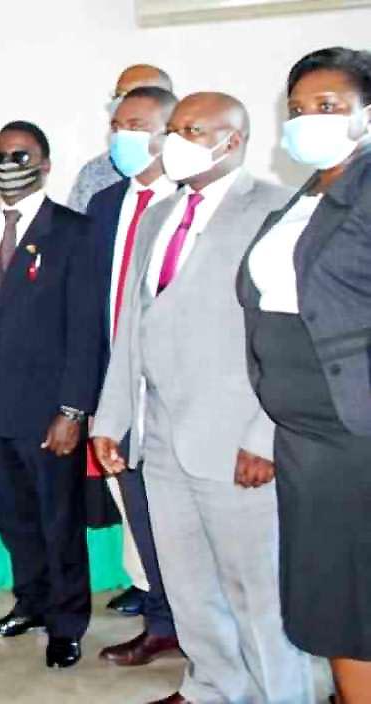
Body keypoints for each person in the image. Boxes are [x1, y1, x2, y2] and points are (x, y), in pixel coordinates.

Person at [93, 93, 313, 704]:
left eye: (191, 130)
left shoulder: (275, 211)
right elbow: (133, 326)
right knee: (190, 587)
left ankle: (280, 694)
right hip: (161, 436)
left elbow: (291, 338)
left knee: (256, 593)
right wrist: (113, 417)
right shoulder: (161, 215)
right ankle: (215, 687)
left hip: (237, 441)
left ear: (233, 141)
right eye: (173, 129)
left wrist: (264, 434)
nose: (174, 141)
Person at [237, 46, 371, 702]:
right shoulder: (309, 193)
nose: (307, 119)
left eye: (327, 105)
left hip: (355, 433)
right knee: (333, 599)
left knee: (355, 599)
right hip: (305, 437)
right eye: (297, 108)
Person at [0, 121, 100, 670]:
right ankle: (31, 603)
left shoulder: (74, 231)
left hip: (50, 411)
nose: (8, 163)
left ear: (45, 163)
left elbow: (86, 328)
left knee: (58, 520)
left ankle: (67, 624)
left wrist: (72, 409)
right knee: (16, 518)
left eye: (20, 154)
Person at [85, 88, 183, 666]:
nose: (122, 135)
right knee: (138, 517)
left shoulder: (186, 203)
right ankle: (161, 621)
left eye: (137, 124)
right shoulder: (106, 205)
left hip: (174, 392)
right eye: (117, 124)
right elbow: (88, 308)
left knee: (185, 523)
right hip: (117, 391)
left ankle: (210, 637)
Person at [67, 64, 174, 214]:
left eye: (138, 94)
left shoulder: (192, 176)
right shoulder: (96, 172)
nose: (125, 104)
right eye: (118, 96)